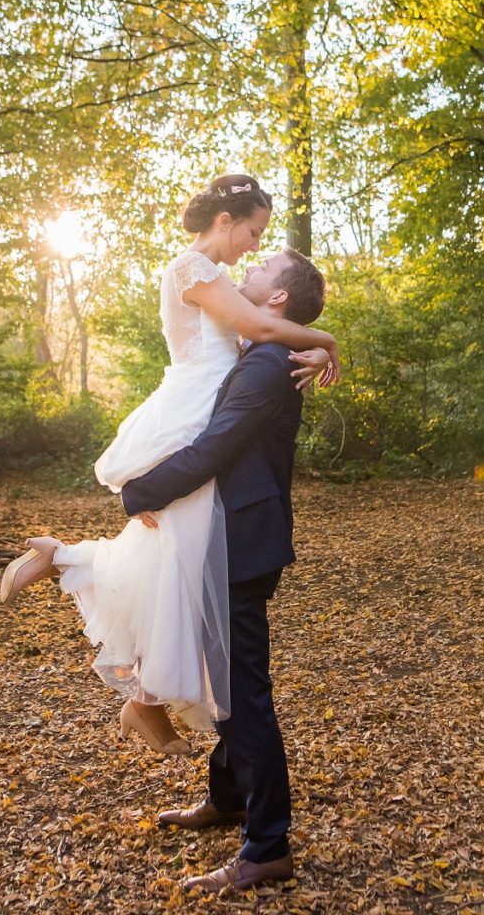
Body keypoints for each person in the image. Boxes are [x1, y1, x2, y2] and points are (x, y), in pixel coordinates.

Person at [0, 174, 337, 757]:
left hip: (209, 405)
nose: (253, 246)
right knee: (178, 561)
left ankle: (142, 690)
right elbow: (259, 328)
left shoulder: (222, 278)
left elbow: (262, 333)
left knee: (174, 563)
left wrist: (311, 346)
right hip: (192, 412)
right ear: (226, 221)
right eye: (252, 231)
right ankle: (142, 688)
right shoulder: (193, 270)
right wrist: (329, 339)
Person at [118, 248, 328, 893]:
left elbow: (214, 447)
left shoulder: (266, 365)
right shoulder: (261, 351)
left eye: (263, 268)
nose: (248, 271)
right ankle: (229, 798)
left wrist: (138, 491)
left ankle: (266, 848)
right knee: (227, 683)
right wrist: (326, 343)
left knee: (243, 697)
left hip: (243, 543)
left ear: (277, 300)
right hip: (231, 536)